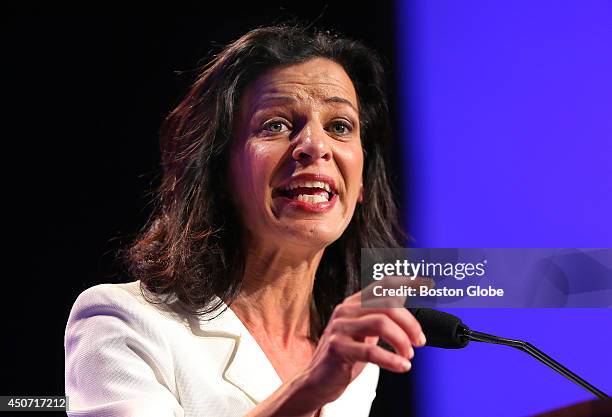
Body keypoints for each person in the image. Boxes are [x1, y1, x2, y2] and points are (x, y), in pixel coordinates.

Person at [64, 23, 426, 417]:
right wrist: (308, 390)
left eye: (339, 127)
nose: (315, 146)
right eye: (276, 125)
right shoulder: (122, 323)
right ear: (217, 170)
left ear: (361, 185)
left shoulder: (357, 357)